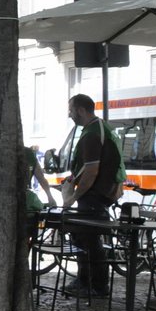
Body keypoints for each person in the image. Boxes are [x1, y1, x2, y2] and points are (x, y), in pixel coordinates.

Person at [59, 93, 123, 297]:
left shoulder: (92, 134)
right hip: (103, 192)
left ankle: (97, 286)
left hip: (95, 194)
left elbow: (91, 171)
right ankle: (85, 280)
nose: (69, 115)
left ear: (80, 110)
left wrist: (73, 197)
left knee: (91, 241)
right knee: (85, 237)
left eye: (70, 110)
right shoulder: (103, 128)